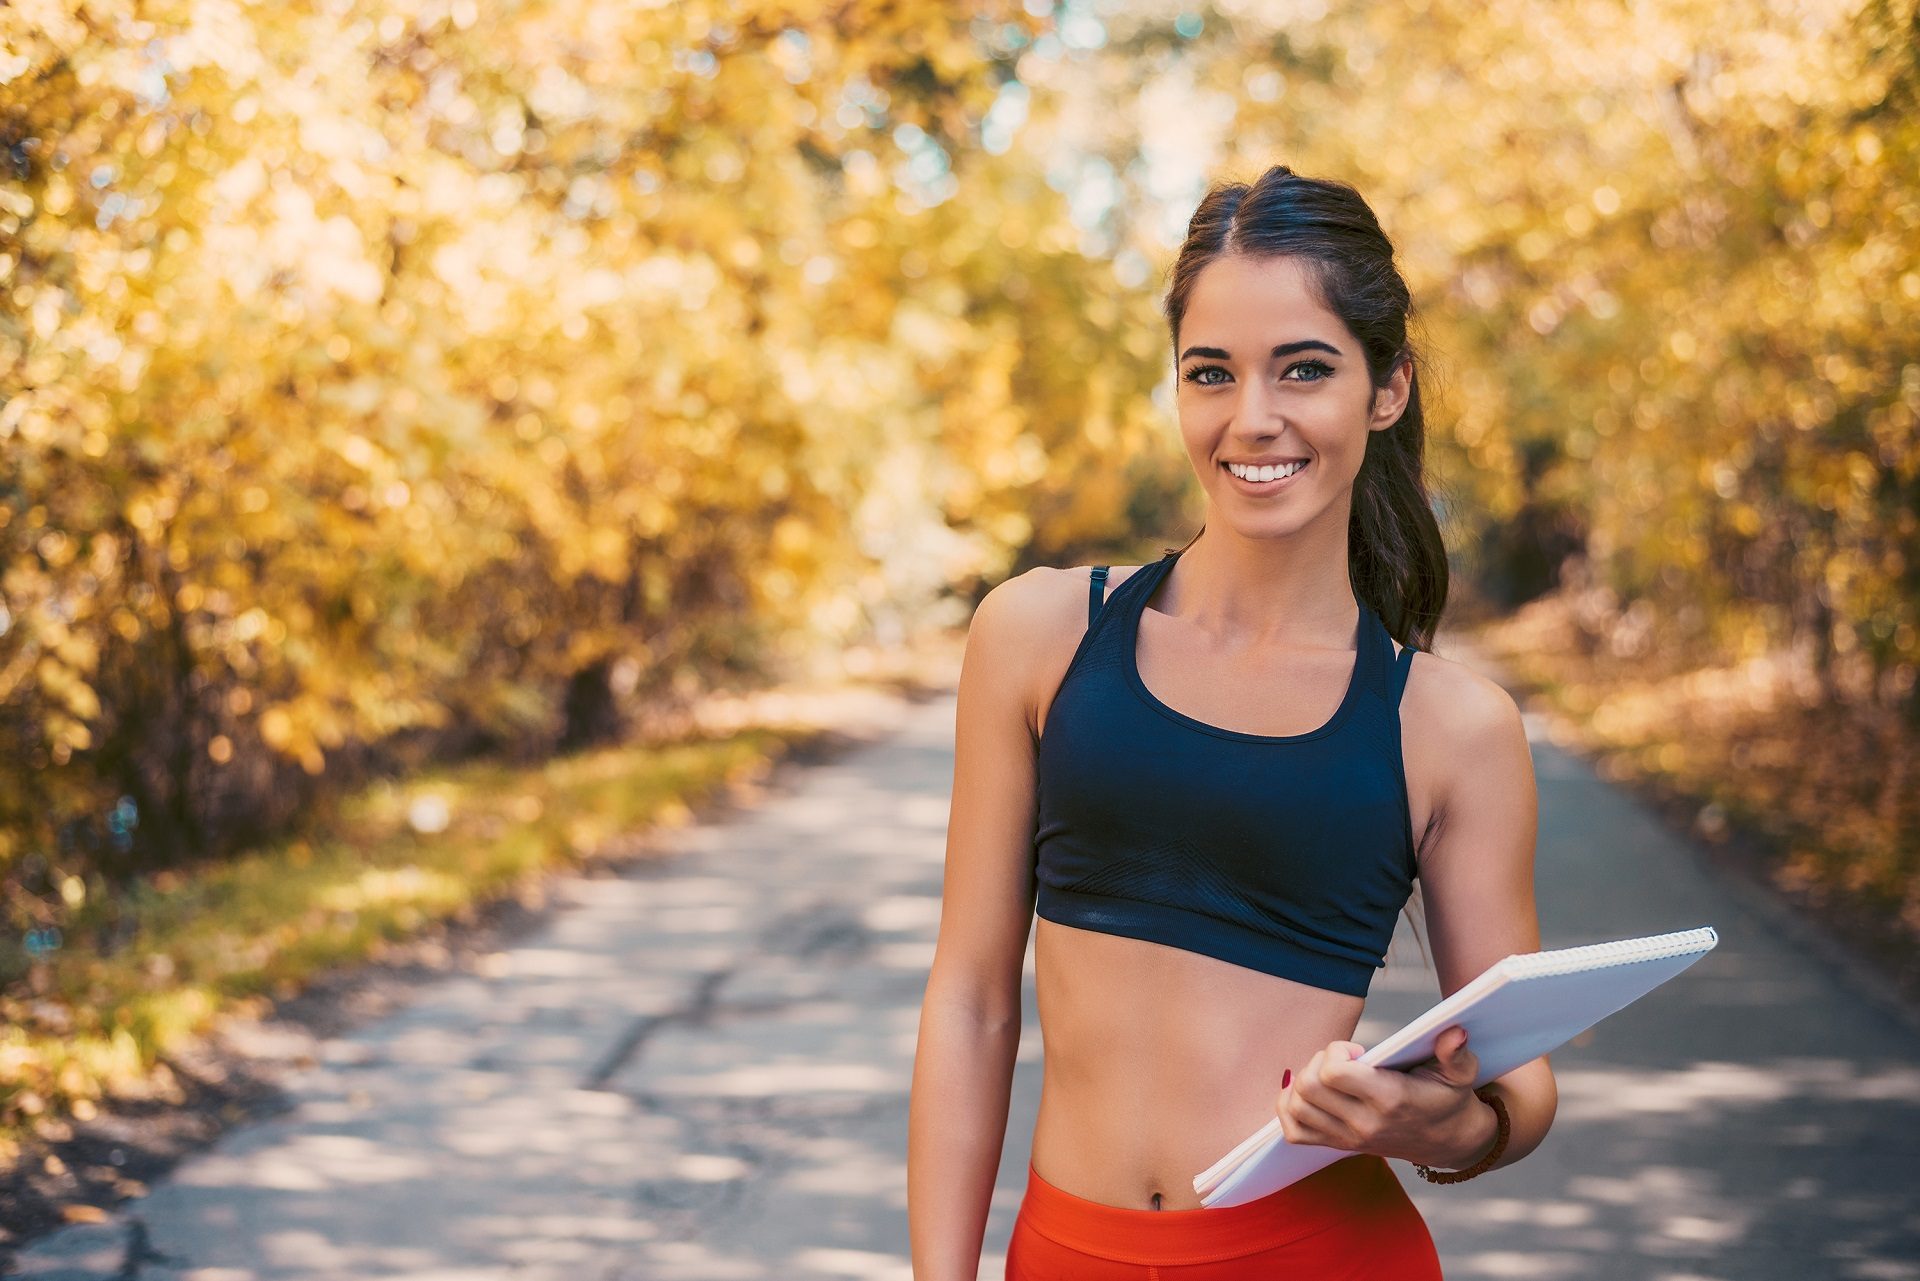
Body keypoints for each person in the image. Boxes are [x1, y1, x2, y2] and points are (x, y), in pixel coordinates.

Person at [907, 164, 1558, 1279]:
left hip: (1321, 1251)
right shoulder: (1039, 637)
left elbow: (1519, 1095)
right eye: (1212, 373)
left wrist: (1416, 1123)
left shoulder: (1450, 728)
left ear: (1386, 387)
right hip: (1069, 1251)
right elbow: (969, 1004)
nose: (1252, 419)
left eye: (1303, 369)